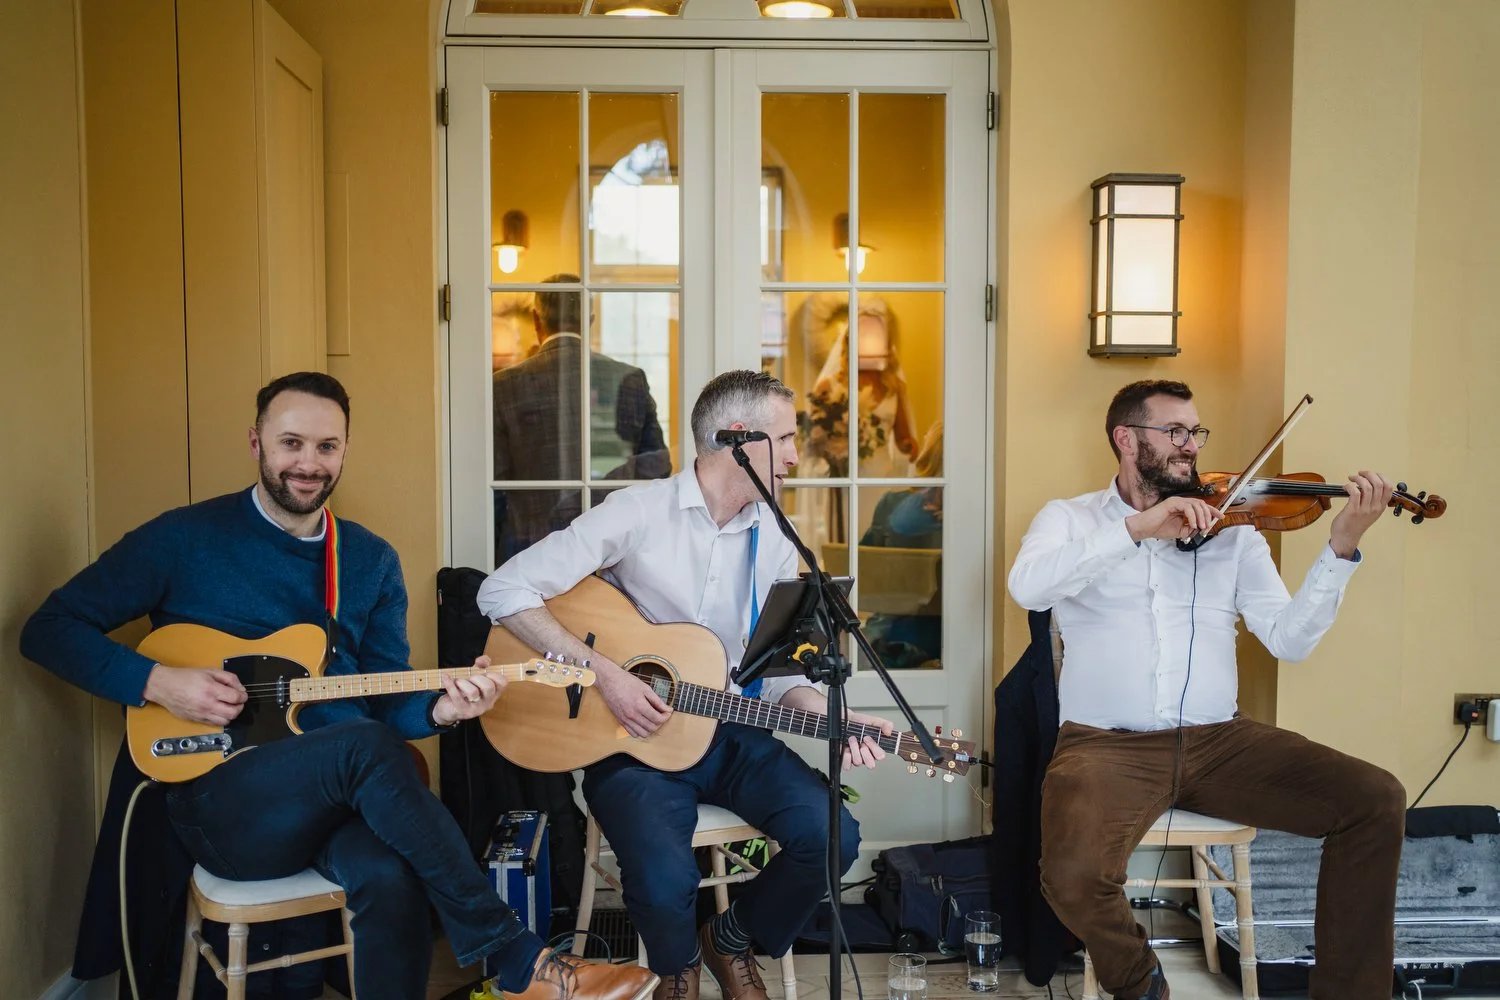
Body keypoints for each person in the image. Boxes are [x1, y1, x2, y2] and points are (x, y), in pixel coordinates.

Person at [21, 372, 658, 1000]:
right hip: (220, 800)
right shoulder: (182, 539)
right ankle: (520, 961)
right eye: (291, 443)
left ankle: (517, 965)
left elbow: (387, 700)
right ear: (256, 443)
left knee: (390, 873)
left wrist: (441, 710)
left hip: (335, 799)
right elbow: (49, 629)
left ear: (345, 450)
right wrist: (158, 682)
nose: (309, 463)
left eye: (327, 446)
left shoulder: (369, 560)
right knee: (363, 746)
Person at [477, 370, 895, 1000]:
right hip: (628, 740)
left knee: (833, 834)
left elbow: (775, 677)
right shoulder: (638, 513)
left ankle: (729, 939)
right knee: (663, 877)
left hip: (727, 732)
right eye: (784, 438)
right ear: (737, 439)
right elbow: (503, 590)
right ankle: (676, 970)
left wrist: (838, 720)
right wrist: (607, 676)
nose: (794, 455)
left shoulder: (775, 540)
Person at [1006, 379, 1406, 1000]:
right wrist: (1138, 528)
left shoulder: (1234, 530)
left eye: (1195, 432)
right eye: (1175, 432)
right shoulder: (1070, 519)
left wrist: (1342, 545)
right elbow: (1028, 588)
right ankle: (1139, 981)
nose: (1191, 445)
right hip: (1106, 747)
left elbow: (1290, 639)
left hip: (1222, 742)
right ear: (1126, 439)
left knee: (1375, 799)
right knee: (1071, 877)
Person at [492, 273, 670, 562]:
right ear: (590, 320)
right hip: (610, 544)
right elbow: (657, 467)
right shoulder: (629, 378)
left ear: (537, 320)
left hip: (529, 545)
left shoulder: (503, 385)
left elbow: (495, 485)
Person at [858, 420, 943, 668]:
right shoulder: (974, 517)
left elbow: (863, 570)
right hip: (947, 636)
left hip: (887, 634)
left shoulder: (891, 504)